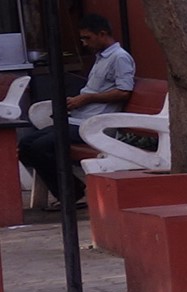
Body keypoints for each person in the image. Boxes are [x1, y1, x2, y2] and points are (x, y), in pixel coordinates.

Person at [20, 12, 135, 203]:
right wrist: (78, 101)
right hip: (79, 119)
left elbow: (124, 92)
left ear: (102, 33)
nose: (84, 43)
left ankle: (71, 195)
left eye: (87, 38)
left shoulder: (119, 58)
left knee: (41, 146)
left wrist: (87, 99)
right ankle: (74, 189)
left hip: (95, 124)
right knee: (26, 144)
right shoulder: (101, 57)